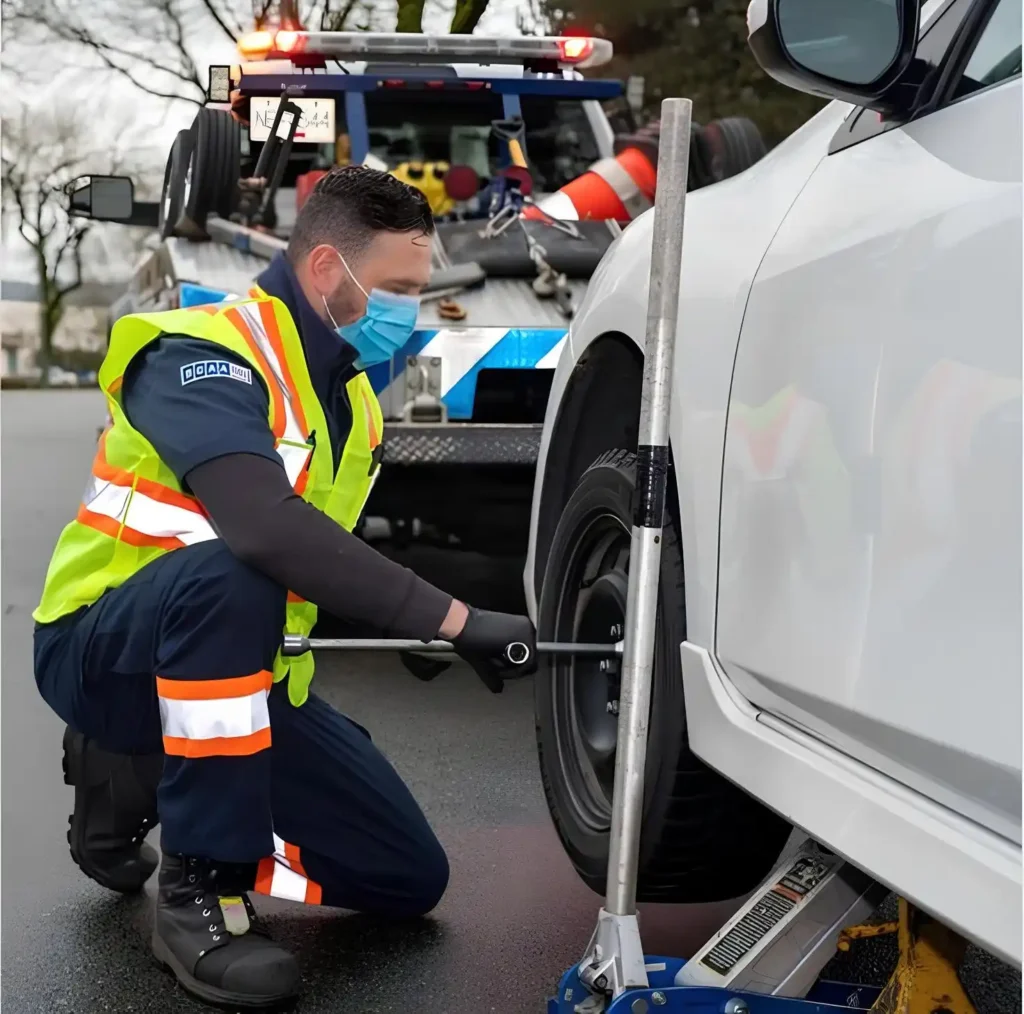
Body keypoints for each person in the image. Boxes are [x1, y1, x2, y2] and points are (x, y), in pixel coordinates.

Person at [32, 165, 536, 1010]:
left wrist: (398, 627)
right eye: (398, 289)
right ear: (327, 270)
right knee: (234, 572)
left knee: (405, 877)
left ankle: (151, 771)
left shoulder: (354, 403)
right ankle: (200, 892)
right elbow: (263, 531)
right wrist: (449, 618)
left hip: (244, 681)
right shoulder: (198, 351)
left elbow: (322, 556)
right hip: (103, 653)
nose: (410, 311)